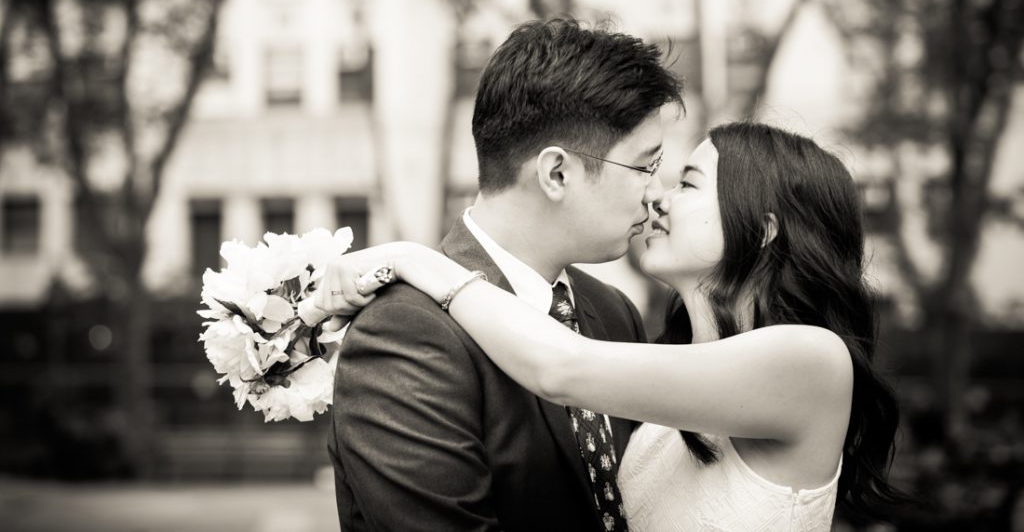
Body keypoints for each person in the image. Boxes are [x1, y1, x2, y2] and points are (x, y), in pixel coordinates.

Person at [315, 121, 906, 531]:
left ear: (767, 227)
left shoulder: (812, 360)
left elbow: (561, 367)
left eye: (687, 183)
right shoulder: (647, 346)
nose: (659, 199)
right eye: (654, 173)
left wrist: (419, 261)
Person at [324, 18, 684, 531]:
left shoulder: (611, 312)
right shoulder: (404, 333)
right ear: (556, 173)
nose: (655, 192)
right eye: (645, 167)